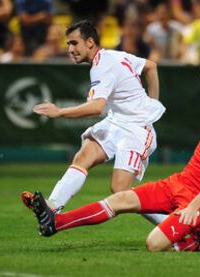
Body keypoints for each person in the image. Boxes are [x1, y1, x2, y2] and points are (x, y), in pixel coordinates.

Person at [30, 50, 200, 252]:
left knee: (154, 244)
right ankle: (55, 223)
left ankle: (190, 239)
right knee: (120, 198)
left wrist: (194, 207)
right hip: (177, 183)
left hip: (198, 202)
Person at [22, 20, 166, 225]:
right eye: (68, 44)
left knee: (120, 191)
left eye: (74, 43)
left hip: (137, 128)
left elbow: (97, 107)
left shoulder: (103, 65)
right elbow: (151, 67)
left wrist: (59, 112)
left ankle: (173, 224)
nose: (70, 49)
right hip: (117, 121)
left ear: (90, 42)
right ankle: (51, 208)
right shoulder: (113, 55)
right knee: (84, 156)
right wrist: (153, 103)